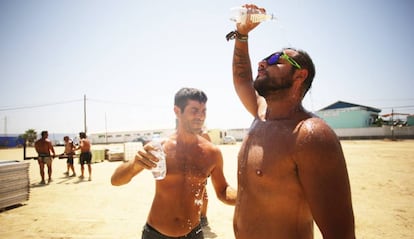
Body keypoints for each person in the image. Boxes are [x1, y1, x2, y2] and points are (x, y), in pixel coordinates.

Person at [228, 4, 355, 239]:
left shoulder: (310, 135)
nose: (262, 63)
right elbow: (242, 78)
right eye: (264, 59)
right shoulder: (261, 114)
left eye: (276, 59)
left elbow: (341, 234)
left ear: (300, 75)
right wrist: (242, 34)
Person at [111, 87, 236, 239]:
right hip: (156, 234)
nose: (200, 116)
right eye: (194, 110)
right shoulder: (159, 148)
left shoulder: (212, 153)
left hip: (194, 233)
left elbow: (223, 191)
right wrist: (134, 164)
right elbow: (116, 180)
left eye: (203, 111)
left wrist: (246, 197)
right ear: (177, 111)